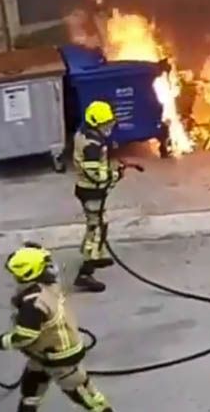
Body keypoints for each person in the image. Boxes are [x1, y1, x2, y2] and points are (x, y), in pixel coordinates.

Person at [0, 244, 113, 412]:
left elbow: (26, 336)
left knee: (86, 396)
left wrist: (3, 342)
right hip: (41, 355)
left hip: (61, 359)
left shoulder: (33, 304)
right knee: (31, 389)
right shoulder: (49, 285)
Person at [71, 100, 125, 293]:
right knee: (96, 228)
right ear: (96, 123)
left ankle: (96, 256)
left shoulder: (86, 135)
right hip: (91, 191)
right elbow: (94, 174)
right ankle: (85, 272)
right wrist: (116, 175)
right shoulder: (91, 145)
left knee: (100, 224)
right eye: (106, 124)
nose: (109, 127)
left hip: (90, 190)